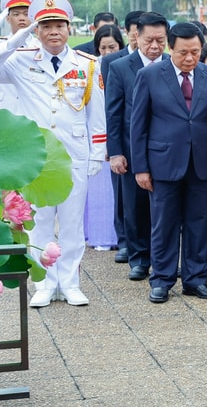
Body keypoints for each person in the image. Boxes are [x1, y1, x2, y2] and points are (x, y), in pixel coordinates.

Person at [0, 0, 106, 308]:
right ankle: (44, 283)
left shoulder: (87, 64)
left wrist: (96, 154)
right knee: (38, 222)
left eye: (59, 25)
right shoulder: (21, 59)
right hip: (36, 156)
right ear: (37, 30)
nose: (54, 31)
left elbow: (96, 114)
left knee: (71, 223)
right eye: (46, 25)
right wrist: (18, 38)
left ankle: (70, 282)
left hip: (73, 153)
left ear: (69, 28)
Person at [130, 22, 207, 304]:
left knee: (199, 222)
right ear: (170, 48)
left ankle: (196, 279)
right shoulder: (149, 75)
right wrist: (141, 167)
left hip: (202, 160)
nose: (189, 58)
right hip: (163, 162)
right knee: (164, 224)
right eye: (183, 52)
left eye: (195, 52)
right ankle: (161, 279)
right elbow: (138, 125)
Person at [107, 12, 170, 282]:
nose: (155, 46)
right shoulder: (120, 67)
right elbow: (113, 113)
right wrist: (116, 151)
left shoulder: (172, 64)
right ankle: (139, 259)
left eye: (161, 40)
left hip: (167, 149)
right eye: (149, 40)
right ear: (136, 37)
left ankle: (163, 260)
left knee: (165, 209)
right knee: (134, 207)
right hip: (133, 150)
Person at [101, 10, 144, 264]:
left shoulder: (164, 60)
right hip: (125, 142)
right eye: (137, 32)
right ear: (128, 32)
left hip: (153, 142)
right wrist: (113, 145)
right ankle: (127, 241)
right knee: (125, 196)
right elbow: (112, 108)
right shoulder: (113, 63)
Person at [84, 24, 124, 250]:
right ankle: (98, 235)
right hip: (97, 136)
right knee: (98, 192)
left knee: (116, 194)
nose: (108, 52)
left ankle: (118, 236)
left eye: (113, 47)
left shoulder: (124, 67)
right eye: (103, 48)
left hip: (116, 135)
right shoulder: (91, 68)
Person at [0, 0, 37, 114]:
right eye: (16, 14)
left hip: (28, 109)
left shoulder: (39, 46)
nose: (22, 18)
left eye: (26, 14)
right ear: (7, 18)